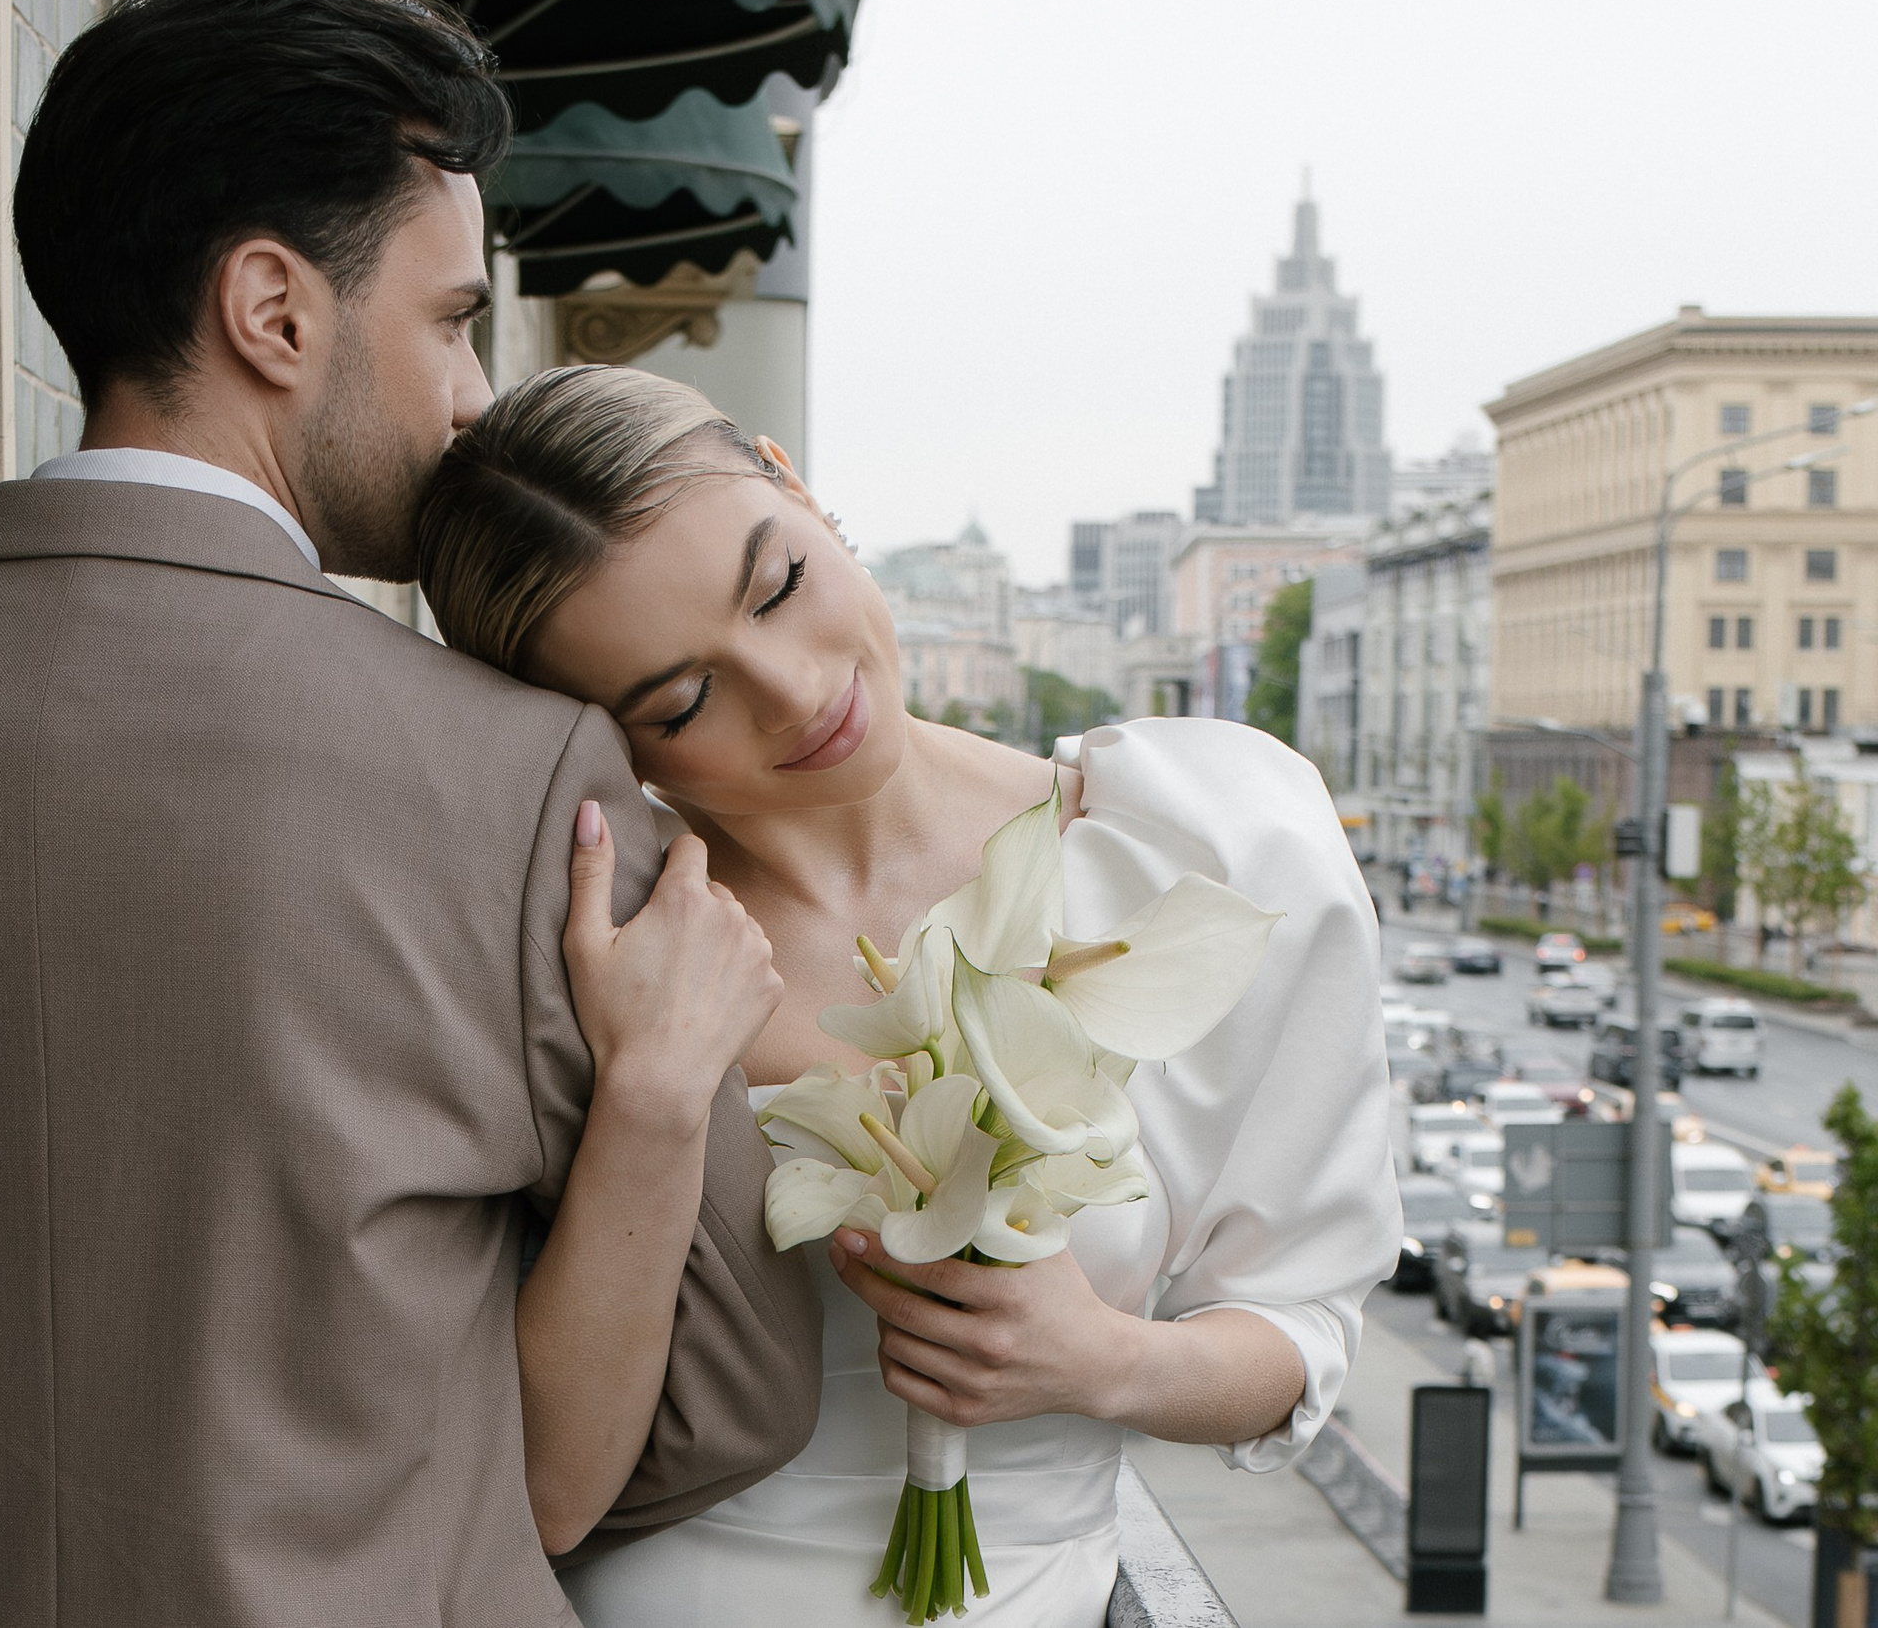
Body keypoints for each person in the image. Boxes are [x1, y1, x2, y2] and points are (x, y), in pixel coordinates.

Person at [0, 0, 819, 1628]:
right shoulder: (517, 773)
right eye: (450, 321)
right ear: (273, 309)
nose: (472, 397)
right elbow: (729, 1391)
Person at [415, 365, 1402, 1625]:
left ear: (794, 484)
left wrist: (1103, 1363)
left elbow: (1299, 1328)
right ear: (592, 731)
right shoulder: (597, 946)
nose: (794, 690)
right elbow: (552, 1494)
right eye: (685, 699)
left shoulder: (1208, 845)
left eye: (779, 584)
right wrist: (652, 1095)